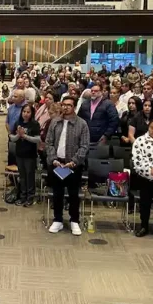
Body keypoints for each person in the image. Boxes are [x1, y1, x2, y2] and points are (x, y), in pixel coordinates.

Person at [45, 96, 90, 235]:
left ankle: (74, 221)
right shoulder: (55, 122)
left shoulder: (81, 124)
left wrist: (75, 161)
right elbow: (49, 142)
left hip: (73, 165)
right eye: (64, 105)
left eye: (69, 105)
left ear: (74, 107)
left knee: (73, 194)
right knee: (57, 193)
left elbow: (84, 146)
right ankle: (57, 219)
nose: (65, 107)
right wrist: (53, 158)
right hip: (57, 163)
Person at [10, 104, 41, 207]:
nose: (26, 114)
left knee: (29, 176)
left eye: (28, 112)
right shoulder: (18, 123)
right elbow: (12, 138)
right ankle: (22, 196)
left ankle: (30, 197)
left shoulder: (34, 124)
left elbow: (37, 139)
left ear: (31, 113)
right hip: (19, 154)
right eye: (24, 112)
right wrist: (19, 135)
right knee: (22, 177)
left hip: (30, 155)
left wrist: (25, 136)